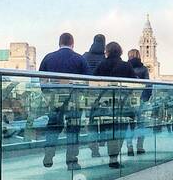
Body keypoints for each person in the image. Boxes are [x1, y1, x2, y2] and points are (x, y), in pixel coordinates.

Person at [38, 32, 89, 169]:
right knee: (73, 128)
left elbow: (41, 79)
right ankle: (71, 160)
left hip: (55, 98)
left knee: (53, 126)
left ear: (59, 43)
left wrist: (48, 94)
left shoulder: (48, 58)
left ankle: (49, 154)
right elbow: (87, 82)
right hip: (74, 100)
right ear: (72, 44)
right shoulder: (80, 59)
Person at [93, 41, 138, 169]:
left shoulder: (102, 65)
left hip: (105, 105)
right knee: (120, 132)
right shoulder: (126, 66)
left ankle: (110, 154)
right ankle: (114, 157)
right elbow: (134, 84)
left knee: (109, 131)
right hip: (122, 106)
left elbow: (93, 83)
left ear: (107, 52)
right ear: (120, 52)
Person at [125, 48, 152, 156]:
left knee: (129, 126)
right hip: (141, 101)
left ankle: (129, 147)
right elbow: (148, 85)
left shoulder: (125, 67)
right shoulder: (144, 68)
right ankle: (140, 147)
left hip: (128, 102)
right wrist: (145, 99)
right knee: (141, 125)